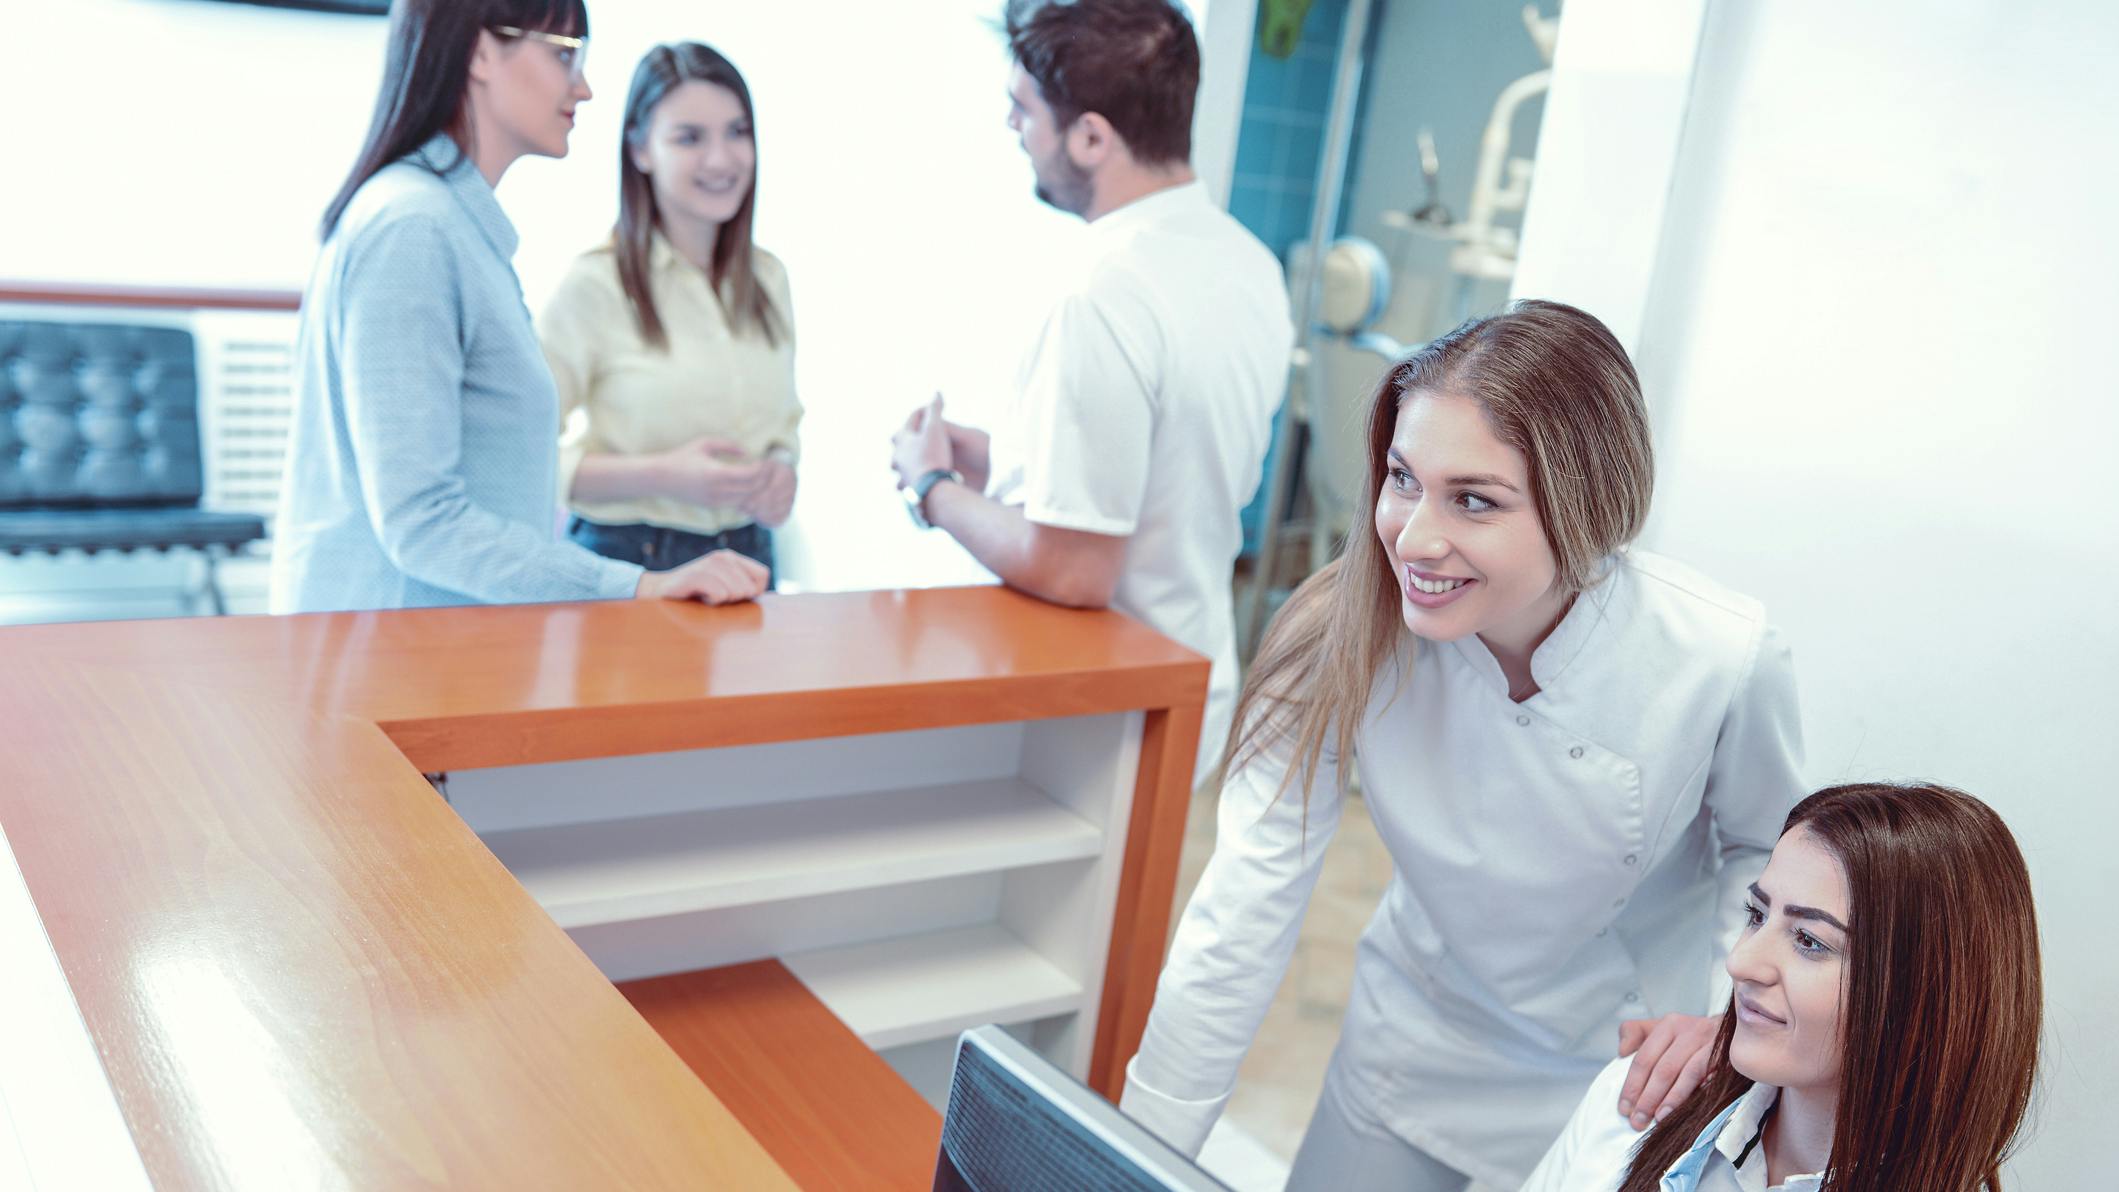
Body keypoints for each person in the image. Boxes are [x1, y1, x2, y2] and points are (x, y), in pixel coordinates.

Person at [1118, 301, 1806, 1190]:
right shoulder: (1335, 635)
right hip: (1413, 1047)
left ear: (1586, 505)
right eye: (1403, 479)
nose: (1413, 538)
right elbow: (1242, 909)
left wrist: (1721, 1022)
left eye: (1473, 500)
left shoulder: (1718, 655)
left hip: (1625, 1071)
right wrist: (1135, 1155)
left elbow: (1763, 853)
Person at [888, 0, 1292, 780]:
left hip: (1106, 708)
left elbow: (1073, 568)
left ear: (1091, 137)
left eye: (1023, 108)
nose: (1011, 126)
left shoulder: (1101, 294)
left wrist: (930, 485)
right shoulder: (1245, 263)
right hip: (1191, 674)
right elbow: (1168, 469)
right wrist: (1006, 456)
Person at [270, 0, 766, 614]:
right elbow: (420, 522)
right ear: (480, 53)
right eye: (563, 56)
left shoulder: (450, 226)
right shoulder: (414, 229)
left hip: (442, 639)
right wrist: (637, 584)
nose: (583, 87)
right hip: (396, 648)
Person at [1523, 781, 2043, 1191]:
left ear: (1922, 995)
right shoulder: (1637, 1102)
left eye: (1810, 941)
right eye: (1756, 915)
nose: (1741, 962)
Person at [539, 42, 798, 586]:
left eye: (737, 132)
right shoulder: (595, 286)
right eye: (689, 137)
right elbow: (524, 458)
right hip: (630, 560)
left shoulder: (768, 278)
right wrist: (661, 476)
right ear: (640, 149)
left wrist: (780, 469)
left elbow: (781, 426)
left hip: (751, 556)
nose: (721, 159)